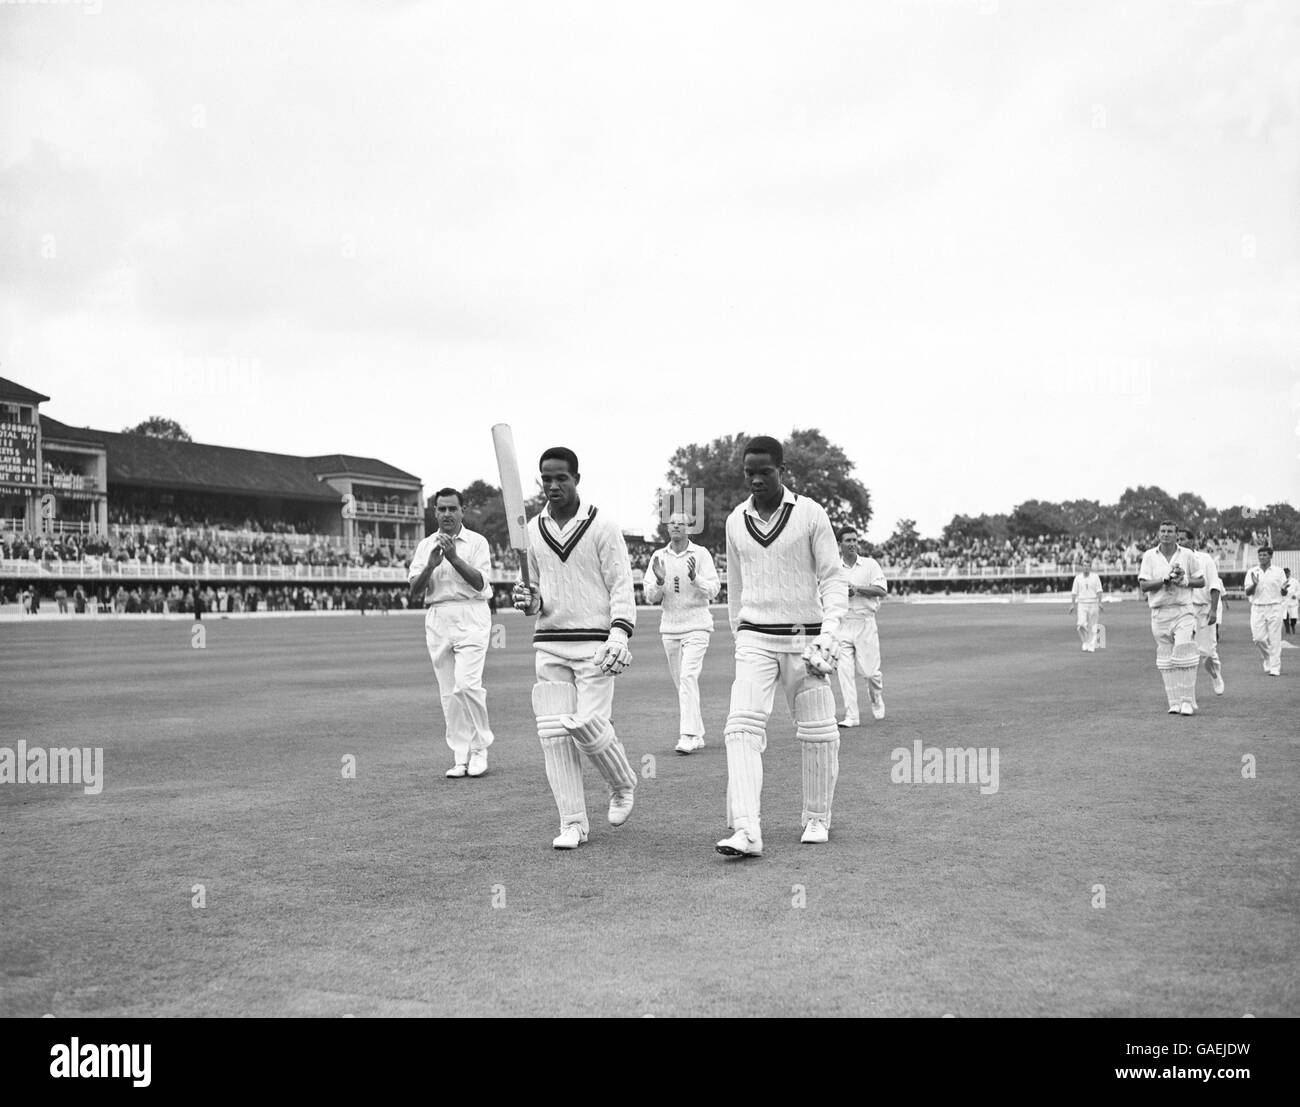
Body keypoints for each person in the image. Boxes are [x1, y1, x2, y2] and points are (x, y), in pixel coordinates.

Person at [715, 436, 847, 858]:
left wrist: (829, 631)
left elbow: (832, 576)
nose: (755, 479)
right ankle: (747, 829)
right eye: (749, 472)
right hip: (755, 636)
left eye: (764, 471)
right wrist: (740, 634)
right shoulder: (736, 520)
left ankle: (816, 816)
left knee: (818, 731)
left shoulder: (810, 513)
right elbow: (734, 588)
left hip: (805, 637)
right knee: (740, 728)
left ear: (782, 470)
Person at [512, 446, 638, 850]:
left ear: (576, 479)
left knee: (590, 729)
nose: (552, 486)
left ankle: (622, 784)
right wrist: (527, 601)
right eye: (546, 479)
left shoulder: (602, 526)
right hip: (550, 642)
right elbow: (536, 595)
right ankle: (572, 823)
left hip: (596, 645)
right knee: (554, 737)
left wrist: (619, 634)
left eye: (560, 478)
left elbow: (621, 585)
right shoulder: (530, 531)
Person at [408, 488, 496, 778]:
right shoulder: (425, 546)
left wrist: (454, 558)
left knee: (467, 684)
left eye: (452, 509)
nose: (446, 514)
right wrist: (431, 565)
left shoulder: (477, 542)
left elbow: (481, 584)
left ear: (462, 511)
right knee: (449, 693)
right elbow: (413, 592)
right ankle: (460, 756)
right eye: (441, 509)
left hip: (472, 612)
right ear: (434, 512)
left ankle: (480, 749)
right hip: (438, 616)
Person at [642, 511, 720, 753]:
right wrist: (659, 581)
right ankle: (697, 734)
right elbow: (650, 597)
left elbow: (714, 590)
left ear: (689, 528)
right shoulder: (658, 556)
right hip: (670, 628)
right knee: (682, 683)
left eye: (680, 523)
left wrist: (696, 579)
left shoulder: (701, 554)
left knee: (687, 677)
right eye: (672, 523)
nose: (675, 526)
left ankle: (687, 735)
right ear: (668, 528)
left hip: (697, 625)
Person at [1137, 521, 1204, 715]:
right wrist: (1164, 580)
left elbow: (1200, 581)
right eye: (1163, 531)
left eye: (1170, 532)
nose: (1166, 534)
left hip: (1183, 610)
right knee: (1166, 659)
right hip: (1159, 612)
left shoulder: (1187, 555)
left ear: (1176, 535)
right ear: (1158, 533)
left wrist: (1183, 580)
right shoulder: (1149, 556)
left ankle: (1187, 701)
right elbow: (1144, 586)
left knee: (1184, 651)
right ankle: (1174, 702)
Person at [835, 526, 888, 724]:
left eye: (854, 540)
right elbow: (824, 593)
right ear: (840, 544)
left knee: (870, 673)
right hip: (843, 623)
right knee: (844, 672)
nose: (852, 544)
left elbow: (881, 590)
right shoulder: (833, 568)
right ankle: (851, 716)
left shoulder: (869, 565)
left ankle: (876, 698)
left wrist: (857, 589)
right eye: (848, 540)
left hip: (865, 623)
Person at [1180, 529, 1224, 701]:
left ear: (1192, 541)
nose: (1180, 542)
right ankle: (1186, 695)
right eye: (1178, 539)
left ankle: (1215, 675)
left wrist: (1213, 610)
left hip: (1204, 609)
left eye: (1183, 539)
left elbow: (1214, 585)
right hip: (1184, 611)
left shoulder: (1205, 559)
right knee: (1185, 652)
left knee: (1207, 653)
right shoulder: (1176, 561)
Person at [1245, 547, 1286, 676]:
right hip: (1257, 607)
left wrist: (1285, 590)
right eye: (1260, 555)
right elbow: (1247, 592)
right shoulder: (1252, 571)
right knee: (1258, 638)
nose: (1261, 557)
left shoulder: (1278, 572)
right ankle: (1268, 658)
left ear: (1270, 556)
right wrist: (1254, 584)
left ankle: (1275, 667)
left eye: (1264, 555)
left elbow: (1284, 591)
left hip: (1275, 607)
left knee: (1275, 639)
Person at [1068, 558, 1104, 652]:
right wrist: (1072, 604)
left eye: (1088, 566)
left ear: (1090, 567)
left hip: (1093, 603)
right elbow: (1074, 592)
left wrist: (1100, 603)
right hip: (1082, 603)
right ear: (1082, 567)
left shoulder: (1095, 577)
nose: (1086, 568)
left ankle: (1091, 645)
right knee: (1081, 624)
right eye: (1084, 566)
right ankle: (1085, 642)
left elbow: (1099, 591)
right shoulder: (1078, 578)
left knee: (1093, 625)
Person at [1284, 567, 1298, 635]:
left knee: (1294, 617)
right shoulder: (1281, 581)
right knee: (1285, 616)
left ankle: (1293, 626)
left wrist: (1296, 595)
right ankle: (1287, 631)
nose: (1287, 574)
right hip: (1284, 602)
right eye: (1285, 573)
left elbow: (1299, 590)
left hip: (1293, 602)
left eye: (1287, 573)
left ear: (1289, 573)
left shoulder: (1294, 581)